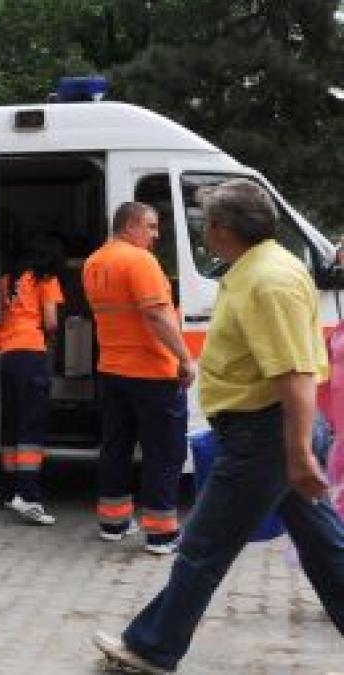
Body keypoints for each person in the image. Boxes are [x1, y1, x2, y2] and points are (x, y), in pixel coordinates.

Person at [93, 179, 344, 673]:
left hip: (265, 436)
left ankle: (151, 647)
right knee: (321, 541)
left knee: (203, 548)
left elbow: (293, 371)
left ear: (225, 229)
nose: (202, 230)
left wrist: (296, 452)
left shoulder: (266, 279)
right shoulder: (257, 268)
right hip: (270, 433)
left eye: (206, 222)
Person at [82, 202, 195, 555]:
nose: (155, 234)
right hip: (151, 372)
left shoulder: (94, 262)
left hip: (113, 369)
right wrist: (184, 358)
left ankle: (113, 522)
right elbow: (157, 314)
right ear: (130, 225)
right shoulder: (139, 260)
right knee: (164, 451)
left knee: (116, 447)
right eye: (150, 226)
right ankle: (161, 534)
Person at [0, 235, 66, 525]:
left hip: (7, 352)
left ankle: (11, 490)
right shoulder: (46, 279)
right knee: (31, 425)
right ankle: (28, 496)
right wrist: (52, 336)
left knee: (12, 424)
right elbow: (50, 321)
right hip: (31, 352)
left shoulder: (7, 279)